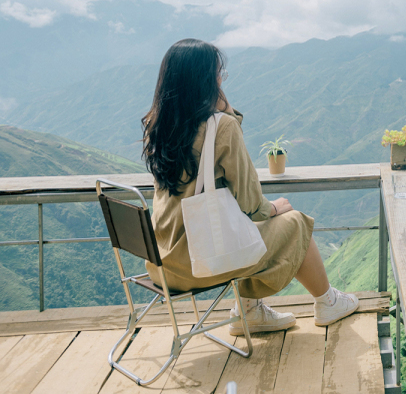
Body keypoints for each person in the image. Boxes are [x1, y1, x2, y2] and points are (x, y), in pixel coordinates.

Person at [141, 38, 358, 334]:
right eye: (219, 74)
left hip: (161, 261)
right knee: (294, 221)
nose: (221, 79)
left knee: (246, 227)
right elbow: (250, 201)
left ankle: (250, 310)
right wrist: (274, 207)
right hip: (197, 261)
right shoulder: (220, 127)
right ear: (206, 80)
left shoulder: (158, 125)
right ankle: (328, 302)